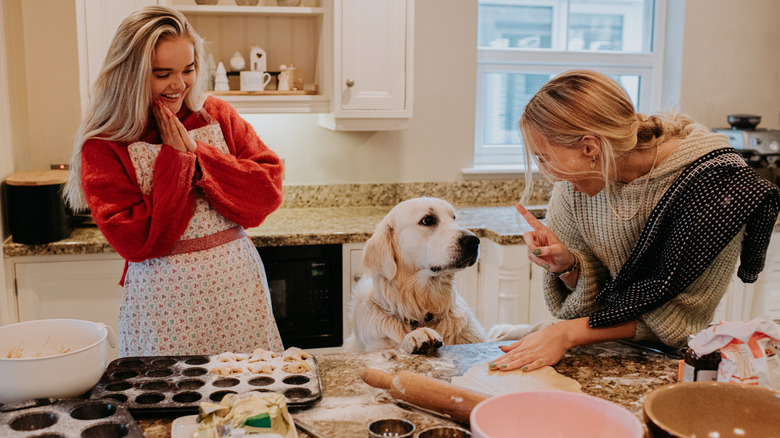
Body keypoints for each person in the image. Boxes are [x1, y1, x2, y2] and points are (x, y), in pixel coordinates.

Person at [490, 70, 780, 372]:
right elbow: (594, 302)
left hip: (675, 362)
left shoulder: (716, 187)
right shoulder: (577, 184)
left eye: (544, 158)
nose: (545, 172)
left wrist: (566, 334)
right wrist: (567, 266)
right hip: (602, 348)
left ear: (590, 147)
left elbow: (680, 318)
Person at [63, 6, 285, 357]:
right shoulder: (104, 145)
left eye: (189, 69)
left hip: (238, 292)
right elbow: (138, 241)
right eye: (162, 73)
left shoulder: (216, 115)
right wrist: (176, 161)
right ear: (129, 75)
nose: (180, 84)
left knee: (248, 397)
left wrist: (198, 154)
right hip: (161, 302)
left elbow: (265, 193)